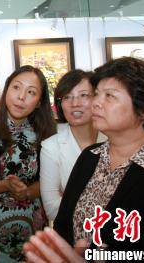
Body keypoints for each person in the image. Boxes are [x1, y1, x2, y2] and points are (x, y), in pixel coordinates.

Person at [24, 61, 144, 263]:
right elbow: (64, 224)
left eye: (109, 96)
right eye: (97, 94)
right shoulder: (90, 157)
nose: (96, 103)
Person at [0, 65, 56, 262]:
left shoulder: (46, 134)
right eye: (16, 87)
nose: (21, 97)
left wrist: (27, 192)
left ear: (38, 102)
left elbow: (51, 182)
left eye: (31, 92)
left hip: (33, 230)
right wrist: (4, 185)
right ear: (6, 89)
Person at [40, 69, 106, 221]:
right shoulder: (51, 147)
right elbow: (52, 209)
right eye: (67, 97)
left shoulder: (113, 138)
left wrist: (68, 198)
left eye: (83, 95)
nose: (75, 104)